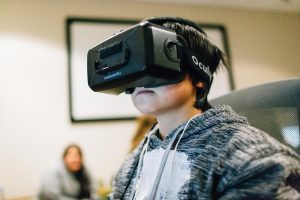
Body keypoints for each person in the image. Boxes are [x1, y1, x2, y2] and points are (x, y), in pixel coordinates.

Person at [108, 16, 300, 200]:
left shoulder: (254, 160)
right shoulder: (133, 162)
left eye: (155, 62)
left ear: (199, 77)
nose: (141, 79)